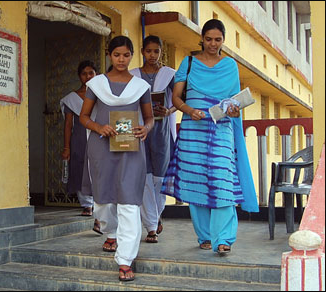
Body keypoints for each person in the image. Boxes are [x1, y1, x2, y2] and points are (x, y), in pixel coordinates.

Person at [161, 19, 259, 256]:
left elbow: (234, 99)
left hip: (221, 128)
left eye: (218, 40)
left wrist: (235, 110)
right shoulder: (189, 62)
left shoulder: (230, 66)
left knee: (222, 179)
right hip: (193, 129)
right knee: (196, 180)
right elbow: (176, 97)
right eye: (208, 39)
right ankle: (205, 235)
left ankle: (224, 238)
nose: (213, 44)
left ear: (223, 41)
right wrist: (189, 111)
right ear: (202, 39)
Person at [80, 35, 154, 281]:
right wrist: (99, 127)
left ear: (132, 55)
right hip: (102, 147)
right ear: (109, 55)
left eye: (126, 55)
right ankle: (110, 231)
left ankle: (125, 260)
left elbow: (149, 117)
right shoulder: (97, 84)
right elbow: (84, 117)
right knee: (103, 201)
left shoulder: (140, 86)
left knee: (130, 202)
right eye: (117, 55)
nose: (122, 60)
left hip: (131, 149)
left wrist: (146, 128)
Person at [130, 35, 176, 243]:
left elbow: (180, 99)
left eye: (156, 51)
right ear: (142, 52)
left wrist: (170, 110)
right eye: (148, 51)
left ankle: (156, 216)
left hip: (162, 132)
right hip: (140, 131)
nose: (152, 55)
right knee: (144, 177)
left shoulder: (169, 75)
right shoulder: (132, 76)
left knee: (159, 178)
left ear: (161, 52)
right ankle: (150, 226)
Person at [60, 60, 101, 233]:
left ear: (96, 74)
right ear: (79, 76)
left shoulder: (102, 95)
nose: (87, 76)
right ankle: (86, 205)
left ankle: (99, 206)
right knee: (79, 167)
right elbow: (68, 124)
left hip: (98, 136)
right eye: (84, 73)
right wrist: (66, 147)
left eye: (91, 73)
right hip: (78, 139)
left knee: (97, 169)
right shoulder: (72, 99)